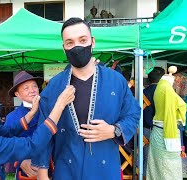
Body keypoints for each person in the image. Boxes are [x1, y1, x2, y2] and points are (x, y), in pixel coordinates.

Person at [33, 17, 141, 180]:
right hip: (66, 169)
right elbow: (43, 128)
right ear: (64, 48)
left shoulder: (116, 81)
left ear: (93, 42)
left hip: (105, 168)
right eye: (70, 43)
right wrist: (42, 172)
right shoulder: (54, 87)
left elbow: (133, 114)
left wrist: (114, 130)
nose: (76, 47)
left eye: (82, 40)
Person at [146, 66, 186, 180]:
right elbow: (177, 109)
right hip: (167, 132)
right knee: (169, 170)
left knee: (158, 168)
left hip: (159, 130)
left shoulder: (162, 86)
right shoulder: (166, 89)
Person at [4, 71, 44, 180]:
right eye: (26, 88)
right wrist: (20, 162)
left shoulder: (49, 110)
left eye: (34, 86)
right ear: (17, 94)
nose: (32, 90)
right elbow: (7, 146)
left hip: (52, 166)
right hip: (28, 173)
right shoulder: (12, 117)